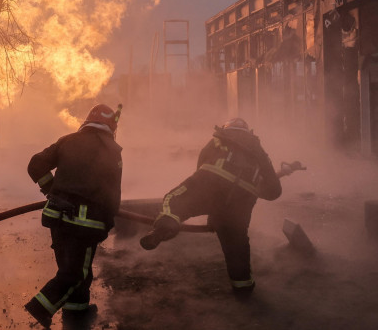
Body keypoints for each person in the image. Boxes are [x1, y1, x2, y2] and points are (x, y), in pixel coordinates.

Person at [139, 117, 281, 296]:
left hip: (212, 182)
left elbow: (202, 163)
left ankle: (165, 226)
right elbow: (274, 192)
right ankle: (243, 287)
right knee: (236, 244)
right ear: (248, 131)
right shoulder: (259, 151)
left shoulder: (220, 137)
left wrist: (204, 194)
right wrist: (252, 188)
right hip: (241, 203)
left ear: (227, 127)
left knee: (176, 199)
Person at [24, 103, 123, 328]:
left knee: (73, 270)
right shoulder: (112, 151)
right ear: (111, 126)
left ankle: (77, 315)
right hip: (85, 225)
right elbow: (112, 194)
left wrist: (51, 189)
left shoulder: (67, 140)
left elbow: (35, 164)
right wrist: (107, 224)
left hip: (57, 219)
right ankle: (40, 306)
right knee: (75, 274)